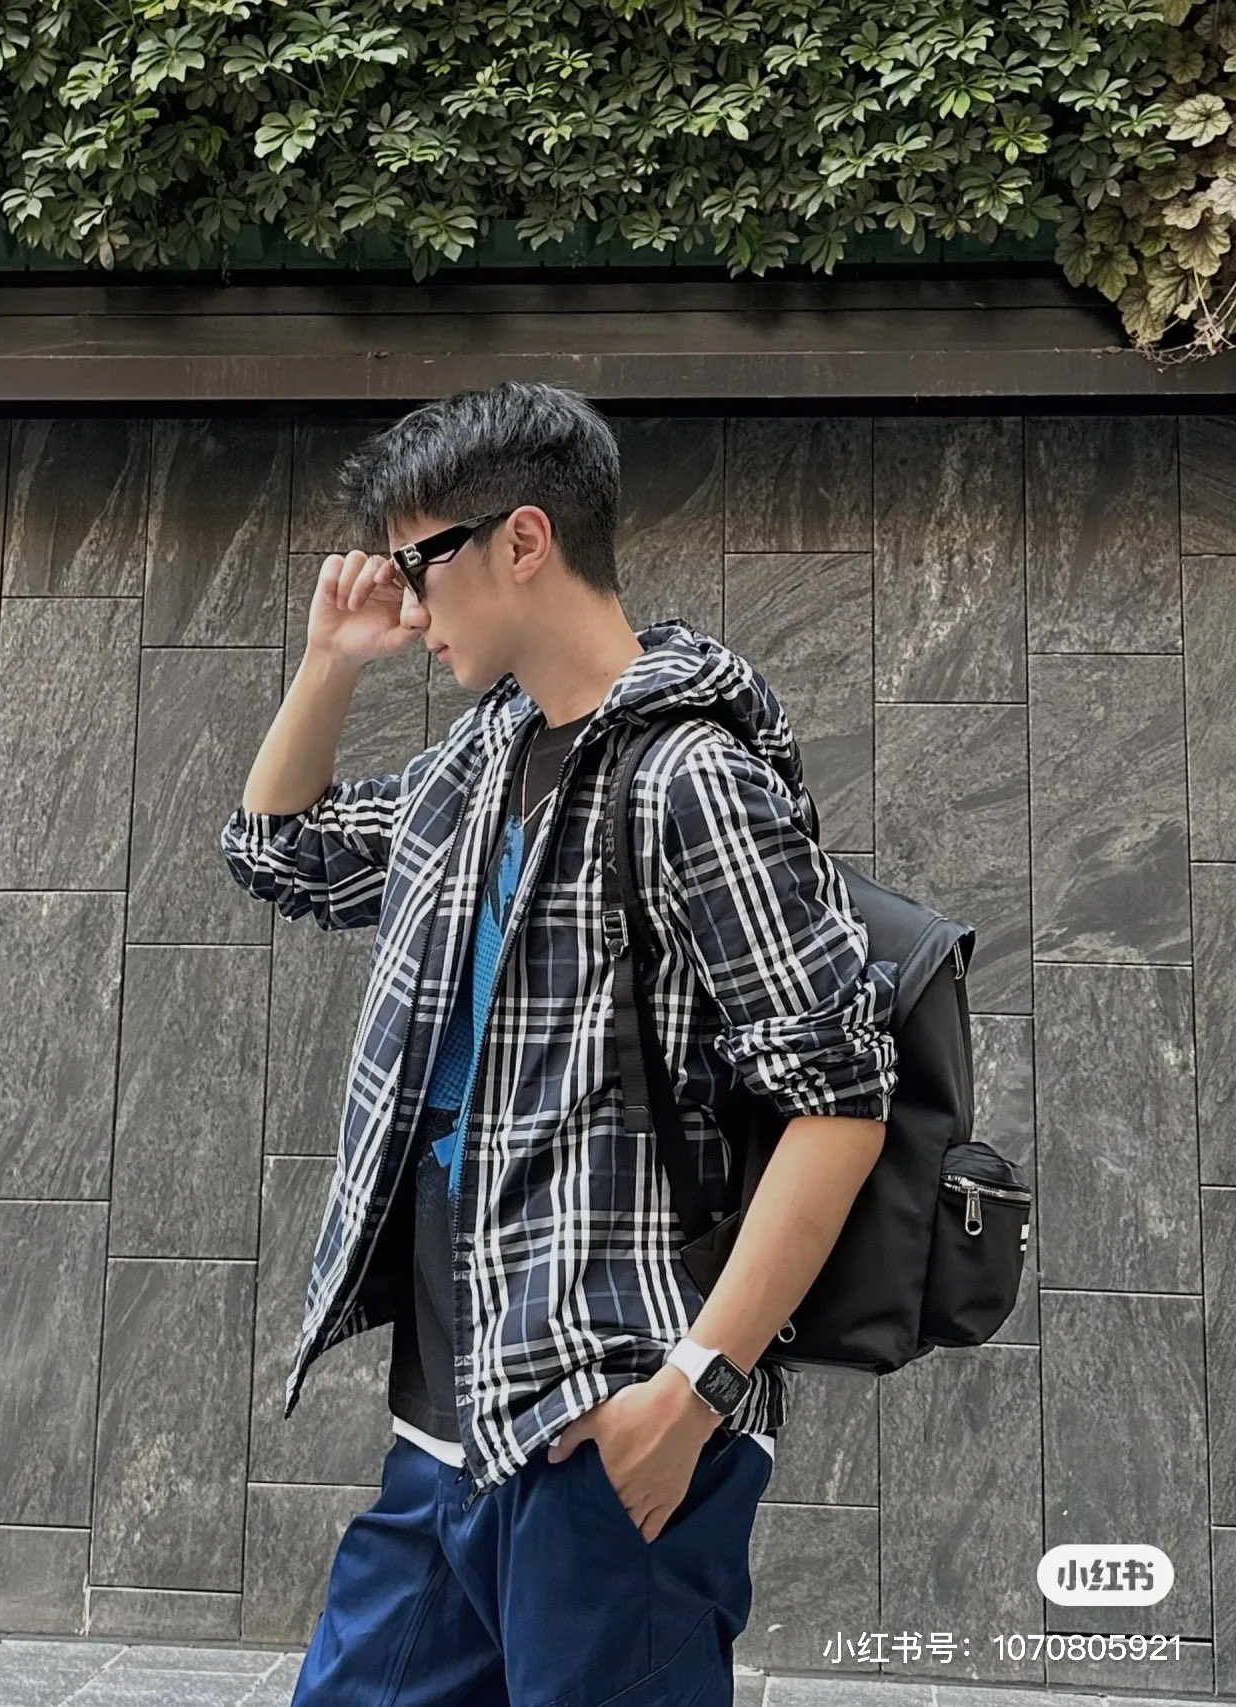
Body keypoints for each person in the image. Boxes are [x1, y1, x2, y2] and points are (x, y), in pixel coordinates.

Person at [219, 380, 899, 1706]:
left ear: (523, 540)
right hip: (447, 1427)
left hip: (608, 1425)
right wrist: (329, 660)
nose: (411, 608)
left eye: (421, 565)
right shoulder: (477, 766)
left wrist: (692, 1394)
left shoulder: (693, 779)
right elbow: (280, 850)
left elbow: (840, 1101)